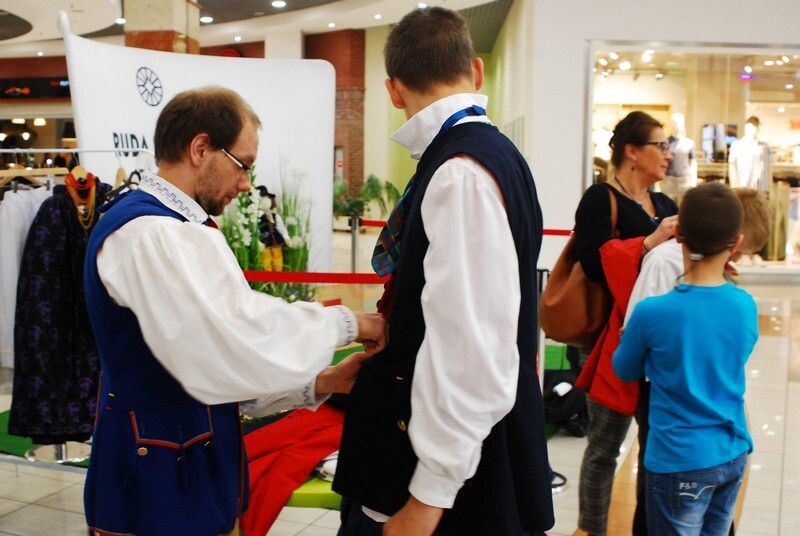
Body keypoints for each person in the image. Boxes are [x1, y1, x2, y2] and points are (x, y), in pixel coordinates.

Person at [82, 86, 386, 536]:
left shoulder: (180, 227)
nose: (245, 184)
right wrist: (347, 323)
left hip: (189, 471)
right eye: (243, 165)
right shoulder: (150, 233)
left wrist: (325, 382)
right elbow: (231, 340)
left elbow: (219, 368)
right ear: (200, 149)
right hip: (154, 484)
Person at [332, 6, 554, 535]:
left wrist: (427, 498)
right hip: (454, 448)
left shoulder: (460, 173)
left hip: (442, 478)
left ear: (392, 91)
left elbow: (471, 348)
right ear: (476, 71)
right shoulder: (494, 157)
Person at [621, 186, 770, 535]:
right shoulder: (743, 304)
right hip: (728, 446)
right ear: (735, 241)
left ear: (679, 233)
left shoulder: (653, 311)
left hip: (679, 451)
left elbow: (625, 367)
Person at [574, 110, 680, 536]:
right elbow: (592, 263)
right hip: (609, 342)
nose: (668, 154)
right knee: (604, 448)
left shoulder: (667, 205)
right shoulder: (601, 198)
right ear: (632, 152)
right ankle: (591, 530)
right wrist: (650, 241)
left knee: (654, 448)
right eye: (661, 145)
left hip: (657, 347)